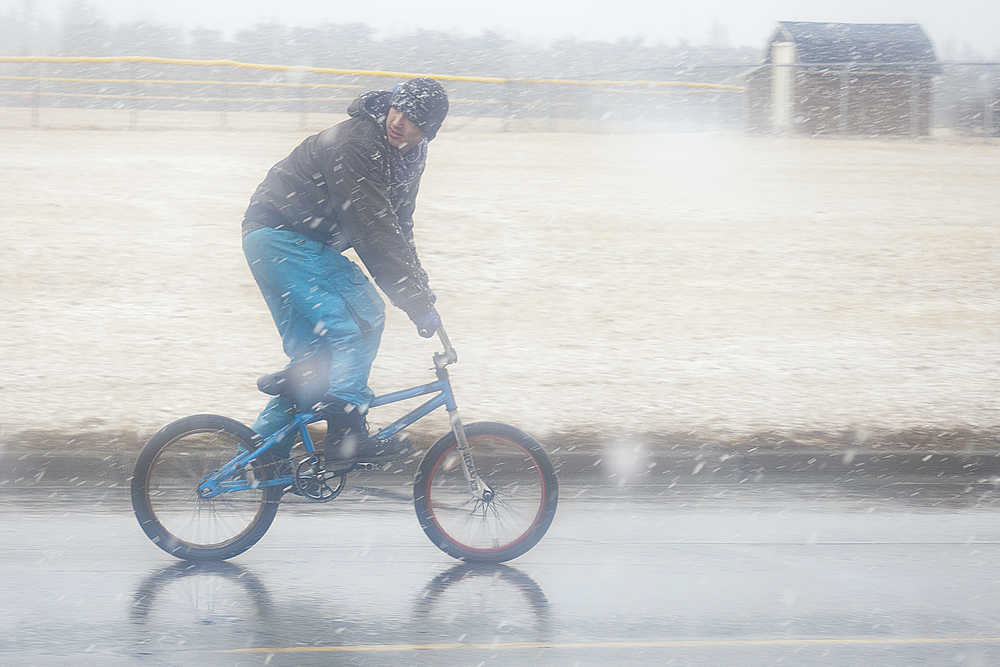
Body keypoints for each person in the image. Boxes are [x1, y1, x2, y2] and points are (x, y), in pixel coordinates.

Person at [241, 77, 449, 470]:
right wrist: (413, 302)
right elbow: (372, 228)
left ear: (429, 132)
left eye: (414, 118)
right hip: (285, 236)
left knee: (316, 366)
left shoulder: (408, 156)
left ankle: (259, 462)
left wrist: (421, 293)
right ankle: (346, 435)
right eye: (398, 108)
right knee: (364, 315)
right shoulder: (360, 143)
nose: (399, 120)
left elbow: (397, 227)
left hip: (279, 241)